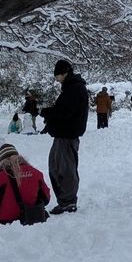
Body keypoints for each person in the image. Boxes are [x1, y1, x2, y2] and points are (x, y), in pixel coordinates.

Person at [40, 59, 88, 214]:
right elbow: (63, 110)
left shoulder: (74, 89)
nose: (56, 79)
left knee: (64, 169)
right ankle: (65, 200)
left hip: (67, 135)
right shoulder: (71, 88)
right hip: (63, 134)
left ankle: (68, 202)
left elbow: (64, 112)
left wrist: (47, 112)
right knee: (56, 166)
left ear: (65, 72)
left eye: (57, 75)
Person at [0, 144, 50, 226]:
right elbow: (46, 199)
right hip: (32, 219)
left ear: (1, 160)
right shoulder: (36, 173)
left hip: (5, 224)